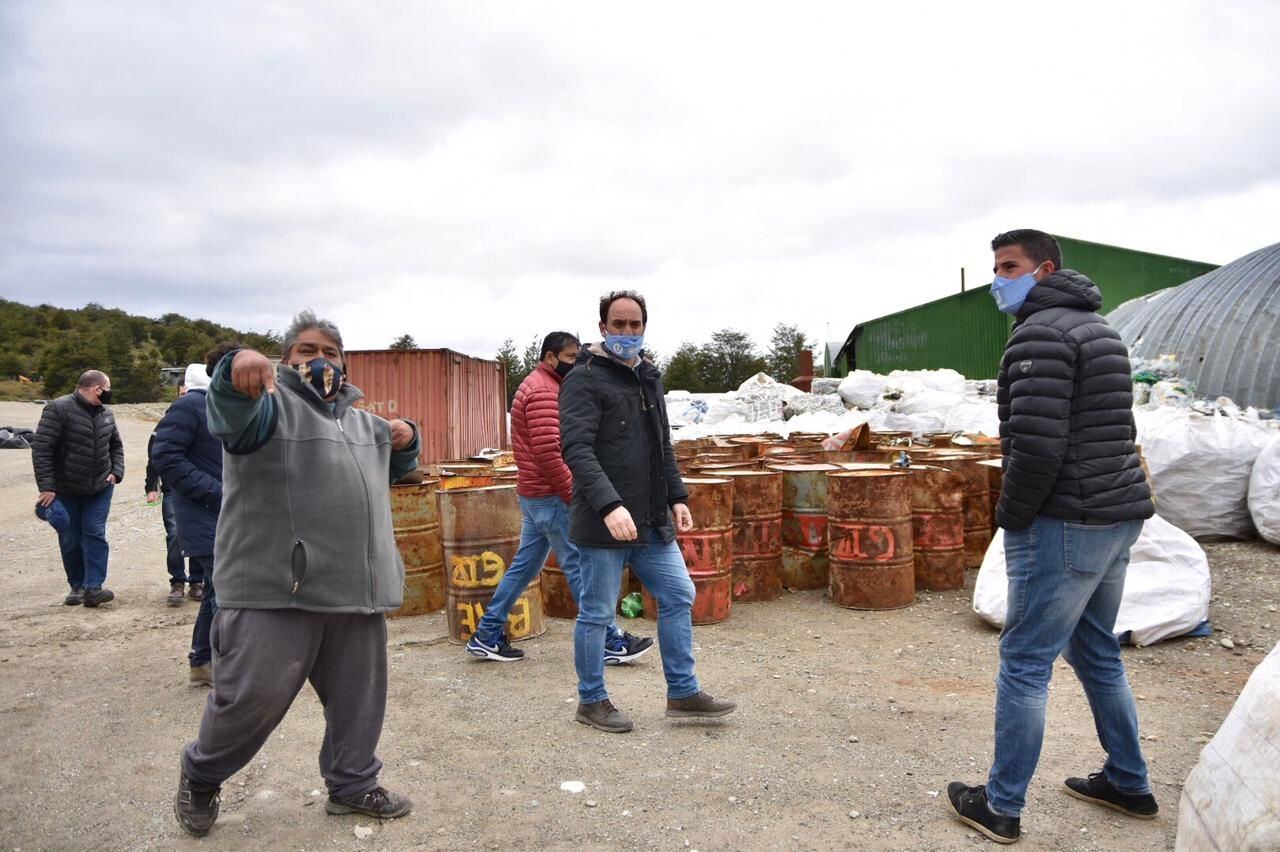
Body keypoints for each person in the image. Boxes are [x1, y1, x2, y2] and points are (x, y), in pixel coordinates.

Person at [174, 311, 421, 837]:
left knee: (359, 700)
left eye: (330, 353)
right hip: (276, 589)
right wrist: (236, 367)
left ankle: (352, 784)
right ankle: (200, 774)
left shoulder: (361, 422)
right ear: (286, 361)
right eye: (306, 351)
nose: (319, 360)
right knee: (250, 698)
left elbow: (400, 467)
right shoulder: (265, 409)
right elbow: (230, 413)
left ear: (345, 364)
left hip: (356, 590)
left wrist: (408, 437)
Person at [947, 230, 1157, 844]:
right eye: (994, 267)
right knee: (1095, 651)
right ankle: (1129, 781)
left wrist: (1012, 514)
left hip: (1066, 519)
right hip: (1117, 515)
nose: (996, 279)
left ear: (1043, 270)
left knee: (1024, 662)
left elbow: (1037, 447)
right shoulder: (1102, 330)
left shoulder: (1040, 333)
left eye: (1008, 267)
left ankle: (1001, 806)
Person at [559, 290, 736, 733]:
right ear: (602, 328)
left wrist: (677, 497)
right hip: (606, 523)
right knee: (598, 612)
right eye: (618, 324)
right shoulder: (583, 380)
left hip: (652, 520)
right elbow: (576, 450)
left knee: (678, 596)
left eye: (635, 324)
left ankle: (683, 693)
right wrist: (609, 505)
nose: (627, 332)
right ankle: (591, 700)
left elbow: (662, 447)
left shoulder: (649, 377)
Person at [466, 331, 654, 664]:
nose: (577, 363)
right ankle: (609, 639)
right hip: (552, 496)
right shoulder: (542, 391)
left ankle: (486, 633)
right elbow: (550, 453)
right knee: (582, 569)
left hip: (534, 495)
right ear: (551, 357)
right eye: (570, 358)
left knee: (524, 567)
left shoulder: (542, 384)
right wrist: (574, 496)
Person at [152, 348, 234, 687]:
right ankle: (225, 667)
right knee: (228, 592)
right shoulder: (191, 405)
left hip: (230, 516)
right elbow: (165, 456)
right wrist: (217, 491)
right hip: (205, 514)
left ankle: (202, 662)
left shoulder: (236, 409)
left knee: (217, 589)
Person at [31, 369, 124, 607]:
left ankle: (94, 588)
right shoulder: (58, 409)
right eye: (108, 388)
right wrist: (48, 487)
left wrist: (116, 472)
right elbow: (42, 449)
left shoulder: (107, 413)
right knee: (70, 537)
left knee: (94, 533)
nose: (109, 393)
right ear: (97, 389)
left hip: (100, 487)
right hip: (65, 489)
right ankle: (77, 586)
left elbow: (116, 445)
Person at [147, 378, 202, 606]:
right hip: (173, 489)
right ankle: (177, 582)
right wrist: (151, 486)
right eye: (182, 393)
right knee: (175, 535)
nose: (186, 396)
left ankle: (197, 582)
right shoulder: (166, 422)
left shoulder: (206, 418)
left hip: (199, 489)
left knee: (201, 535)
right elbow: (154, 456)